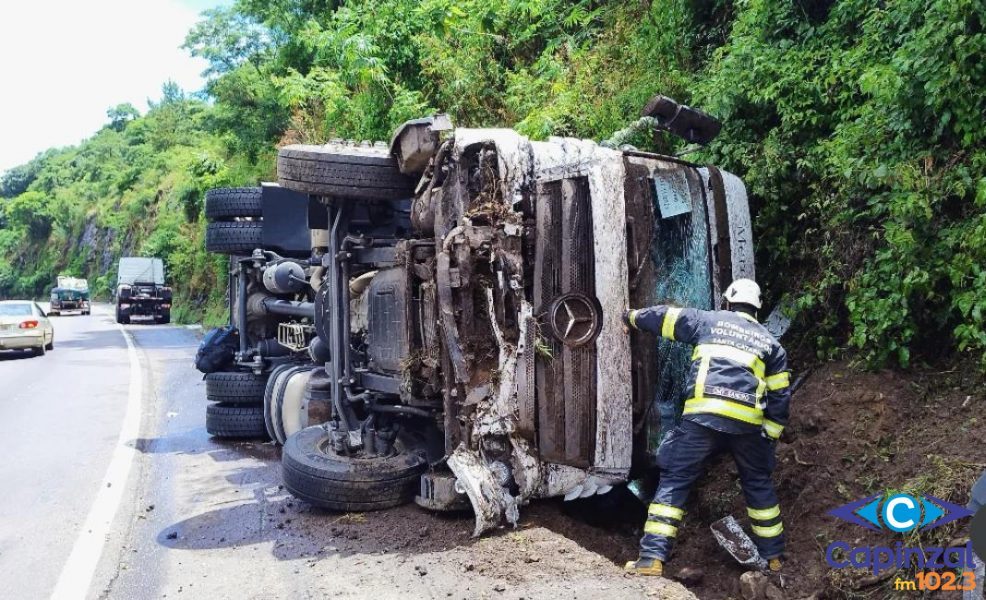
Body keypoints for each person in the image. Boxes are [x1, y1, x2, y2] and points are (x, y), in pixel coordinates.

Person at [622, 278, 791, 576]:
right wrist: (769, 436)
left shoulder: (709, 321)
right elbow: (780, 397)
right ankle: (774, 558)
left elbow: (666, 317)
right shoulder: (771, 345)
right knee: (758, 485)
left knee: (675, 481)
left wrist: (632, 317)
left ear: (726, 302)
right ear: (757, 309)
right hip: (747, 426)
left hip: (702, 418)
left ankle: (651, 559)